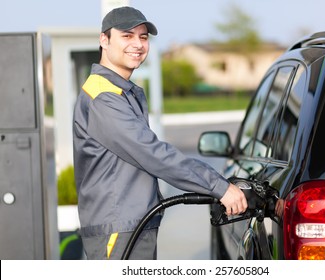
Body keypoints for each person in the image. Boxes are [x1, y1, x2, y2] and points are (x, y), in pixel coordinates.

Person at [72, 6, 247, 260]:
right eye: (127, 36)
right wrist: (219, 187)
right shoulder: (104, 98)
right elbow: (153, 154)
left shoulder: (122, 92)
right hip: (118, 230)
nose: (138, 44)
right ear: (104, 40)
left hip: (131, 226)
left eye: (143, 37)